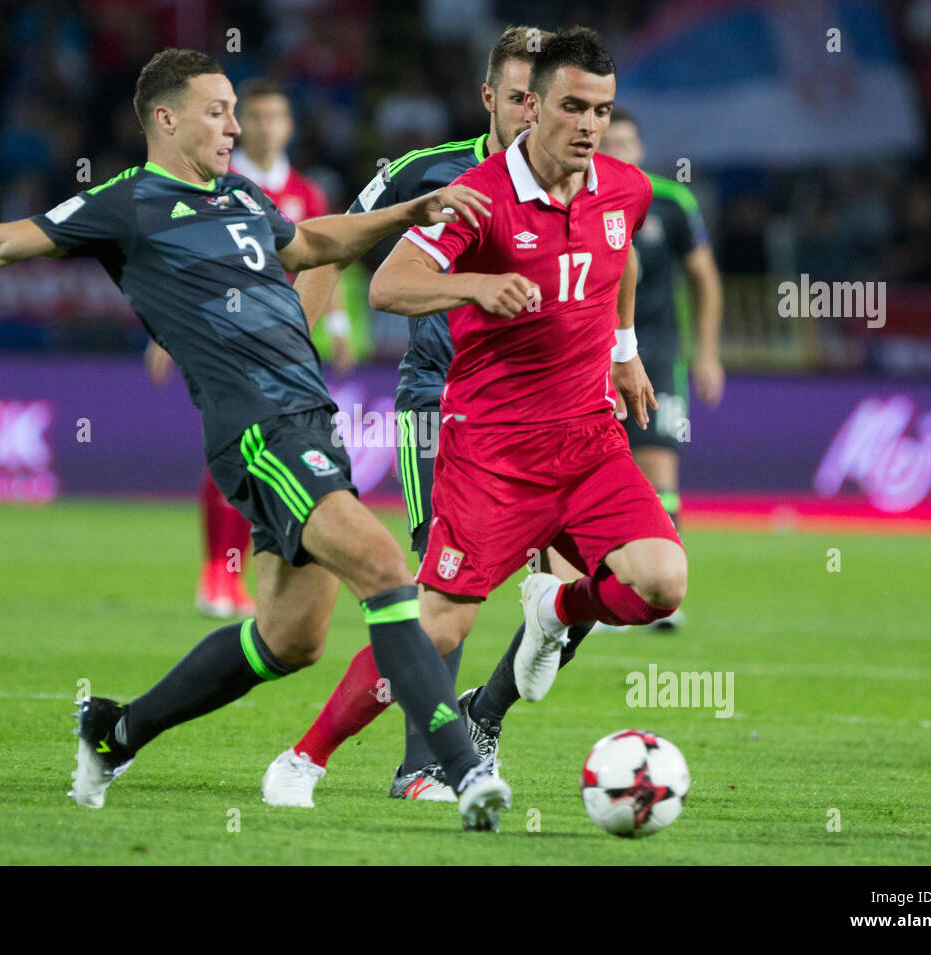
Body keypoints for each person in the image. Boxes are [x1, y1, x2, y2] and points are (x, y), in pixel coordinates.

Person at [0, 47, 512, 832]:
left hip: (310, 420)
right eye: (218, 111)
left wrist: (406, 213)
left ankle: (115, 730)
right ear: (165, 119)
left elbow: (309, 245)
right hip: (261, 429)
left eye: (236, 111)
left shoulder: (241, 196)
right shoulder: (126, 205)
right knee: (390, 568)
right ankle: (460, 771)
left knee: (290, 638)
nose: (236, 126)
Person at [268, 26, 688, 806]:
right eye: (573, 107)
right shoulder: (478, 193)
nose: (589, 125)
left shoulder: (624, 187)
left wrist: (625, 350)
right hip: (492, 446)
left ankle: (556, 604)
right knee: (438, 626)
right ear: (531, 110)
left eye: (602, 109)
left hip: (590, 440)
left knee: (662, 580)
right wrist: (473, 288)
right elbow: (389, 285)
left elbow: (620, 253)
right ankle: (307, 757)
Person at [144, 77, 352, 620]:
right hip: (224, 338)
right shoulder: (215, 185)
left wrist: (342, 325)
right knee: (237, 446)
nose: (264, 126)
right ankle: (219, 571)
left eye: (275, 117)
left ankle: (256, 576)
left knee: (272, 457)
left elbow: (323, 252)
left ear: (288, 126)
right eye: (254, 116)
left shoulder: (307, 192)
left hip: (289, 345)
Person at [598, 108, 724, 630]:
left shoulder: (672, 202)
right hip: (591, 357)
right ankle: (600, 594)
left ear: (641, 149)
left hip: (656, 352)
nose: (619, 152)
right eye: (610, 143)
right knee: (595, 473)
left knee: (659, 473)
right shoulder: (580, 200)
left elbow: (705, 278)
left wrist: (707, 352)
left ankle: (660, 598)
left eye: (627, 142)